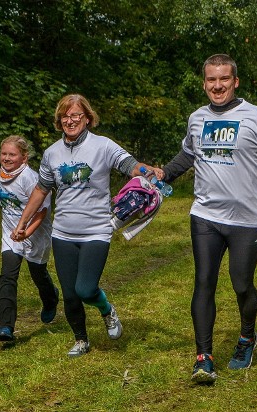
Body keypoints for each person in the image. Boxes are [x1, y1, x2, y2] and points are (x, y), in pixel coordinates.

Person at [151, 54, 257, 384]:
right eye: (212, 80)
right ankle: (204, 357)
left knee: (241, 283)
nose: (218, 86)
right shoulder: (197, 118)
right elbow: (189, 153)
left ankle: (246, 337)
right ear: (204, 83)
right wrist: (165, 174)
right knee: (204, 281)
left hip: (247, 218)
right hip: (205, 215)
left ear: (235, 81)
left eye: (224, 79)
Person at [11, 94, 153, 358]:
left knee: (85, 289)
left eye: (76, 115)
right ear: (59, 120)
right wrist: (22, 223)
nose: (70, 120)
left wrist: (148, 171)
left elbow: (130, 165)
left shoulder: (103, 146)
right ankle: (81, 339)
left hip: (96, 230)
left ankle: (106, 310)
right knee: (70, 294)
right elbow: (42, 190)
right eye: (65, 116)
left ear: (87, 118)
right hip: (63, 233)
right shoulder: (52, 153)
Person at [0, 135, 59, 342]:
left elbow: (42, 212)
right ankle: (5, 327)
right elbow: (1, 190)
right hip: (10, 234)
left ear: (24, 158)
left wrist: (26, 232)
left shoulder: (31, 179)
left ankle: (51, 298)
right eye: (3, 154)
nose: (6, 158)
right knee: (7, 276)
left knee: (38, 273)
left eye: (12, 154)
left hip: (35, 234)